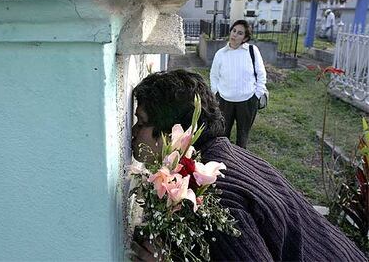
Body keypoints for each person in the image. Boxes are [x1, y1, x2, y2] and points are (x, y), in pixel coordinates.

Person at [131, 69, 366, 261]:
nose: (132, 133)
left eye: (140, 123)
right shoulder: (224, 157)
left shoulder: (212, 194)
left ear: (173, 133)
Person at [210, 19, 267, 149]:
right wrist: (216, 93)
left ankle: (240, 162)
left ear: (245, 38)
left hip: (247, 101)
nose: (235, 35)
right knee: (223, 135)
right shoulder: (220, 54)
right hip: (224, 101)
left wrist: (257, 95)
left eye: (240, 33)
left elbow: (261, 74)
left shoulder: (252, 51)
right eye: (234, 31)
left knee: (242, 137)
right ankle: (224, 161)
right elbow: (214, 75)